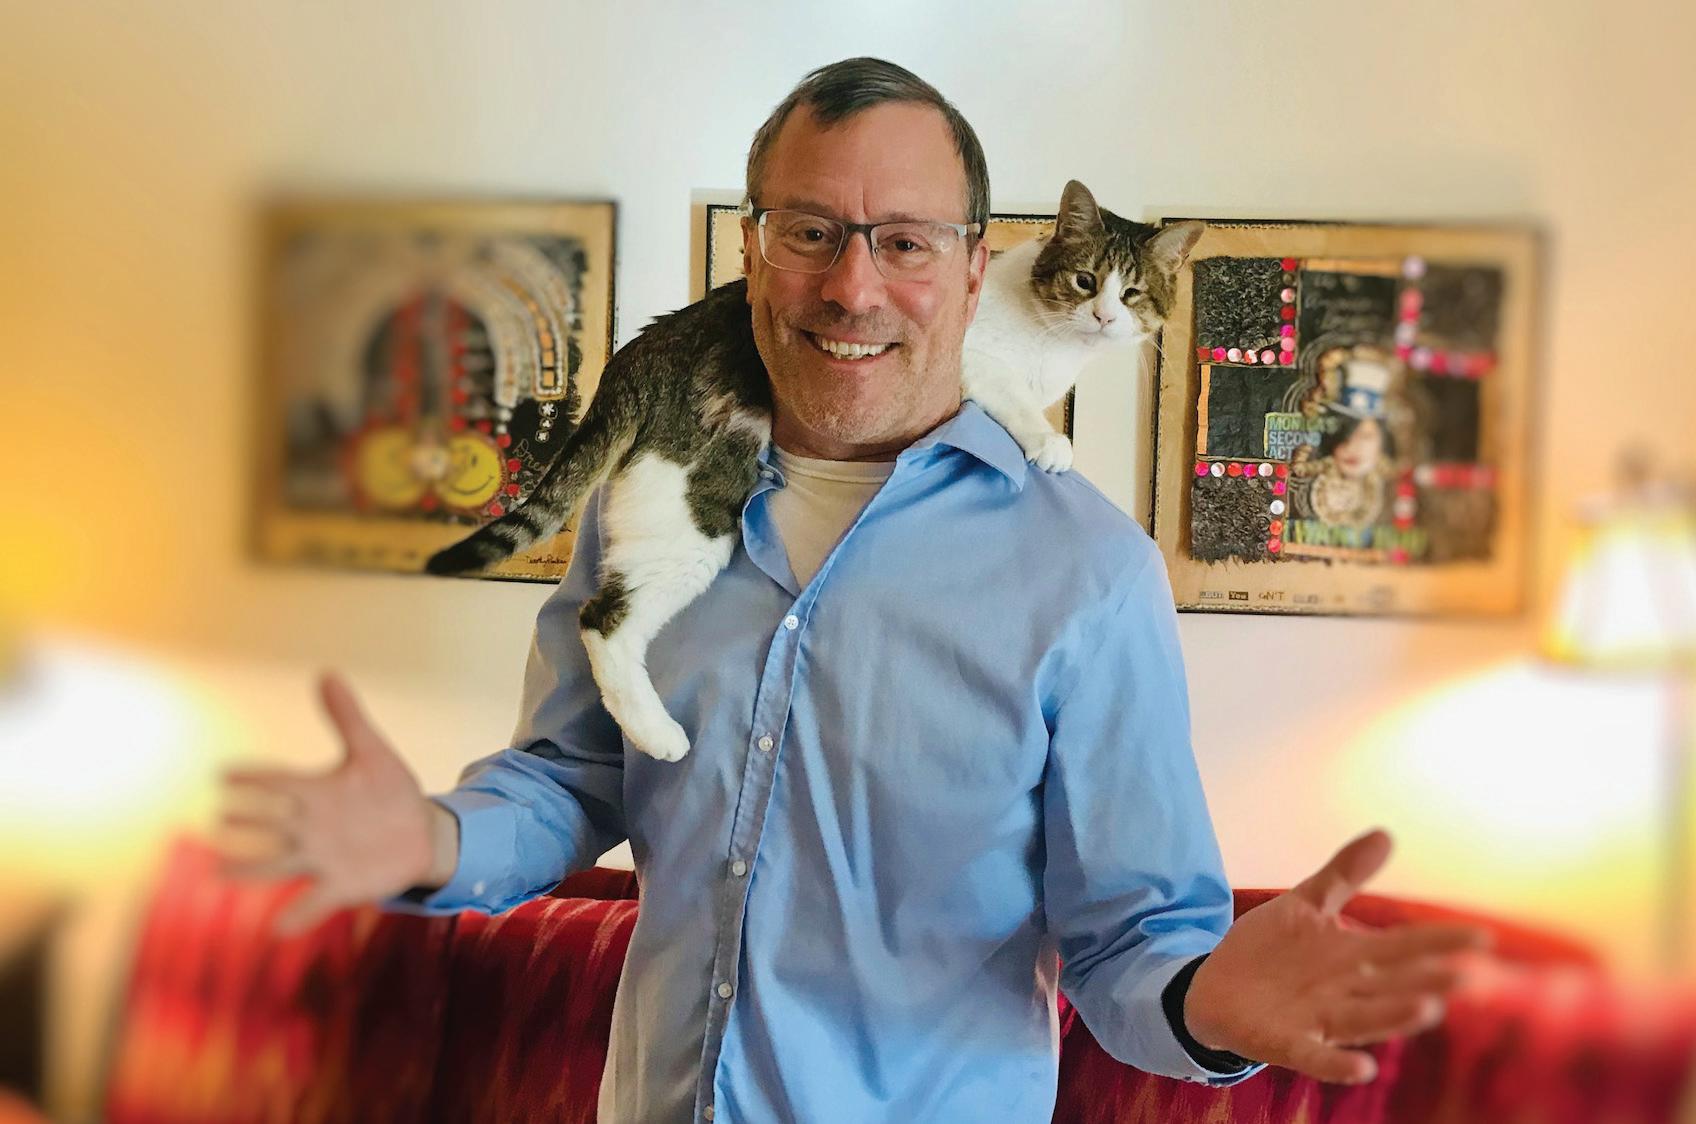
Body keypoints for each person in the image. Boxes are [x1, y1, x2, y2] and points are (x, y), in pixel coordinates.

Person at [220, 57, 1487, 1123]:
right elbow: (572, 775)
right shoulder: (649, 495)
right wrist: (433, 840)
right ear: (754, 247)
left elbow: (1129, 941)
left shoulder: (1090, 574)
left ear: (975, 265)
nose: (852, 286)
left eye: (904, 241)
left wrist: (1205, 1004)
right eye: (810, 230)